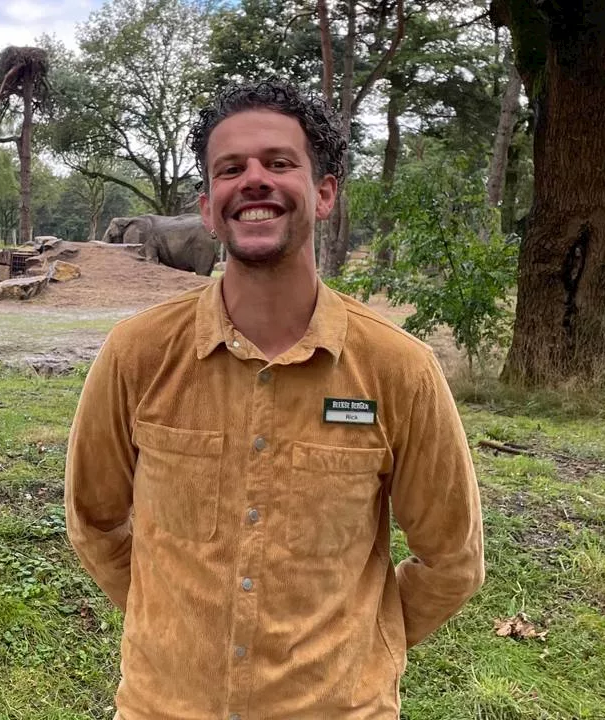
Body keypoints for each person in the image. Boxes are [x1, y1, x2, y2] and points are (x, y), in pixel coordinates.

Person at [63, 80, 485, 720]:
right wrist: (166, 620)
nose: (254, 180)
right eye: (231, 169)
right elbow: (93, 518)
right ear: (208, 208)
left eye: (279, 163)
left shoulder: (398, 370)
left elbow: (451, 560)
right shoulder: (138, 355)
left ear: (324, 192)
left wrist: (364, 644)